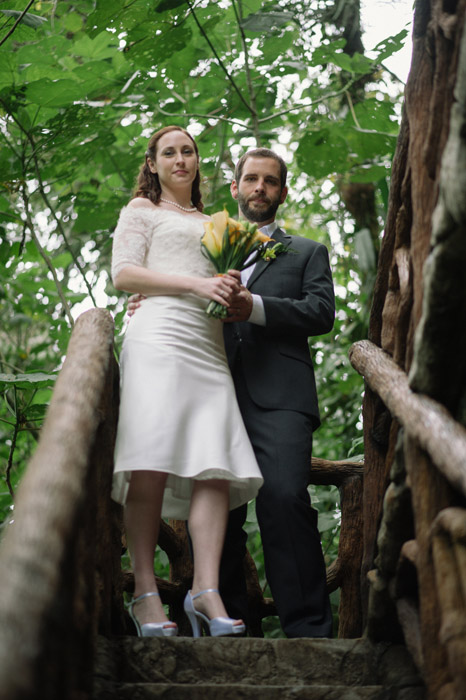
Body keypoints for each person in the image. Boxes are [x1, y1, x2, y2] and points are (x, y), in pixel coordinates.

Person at [128, 146, 335, 638]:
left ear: (281, 192)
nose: (259, 188)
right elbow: (174, 287)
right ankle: (226, 624)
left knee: (284, 498)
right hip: (209, 387)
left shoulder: (305, 251)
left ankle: (307, 630)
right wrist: (150, 298)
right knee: (214, 505)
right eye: (250, 179)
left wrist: (255, 306)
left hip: (280, 397)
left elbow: (320, 312)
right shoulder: (206, 245)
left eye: (269, 181)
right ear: (236, 187)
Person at [110, 125, 263, 638]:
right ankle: (147, 593)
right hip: (157, 340)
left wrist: (225, 289)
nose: (180, 158)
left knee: (213, 465)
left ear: (198, 162)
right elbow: (125, 274)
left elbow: (218, 284)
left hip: (207, 345)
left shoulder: (216, 223)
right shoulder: (140, 212)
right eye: (168, 152)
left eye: (188, 151)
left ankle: (206, 590)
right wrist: (197, 283)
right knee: (150, 462)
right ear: (152, 164)